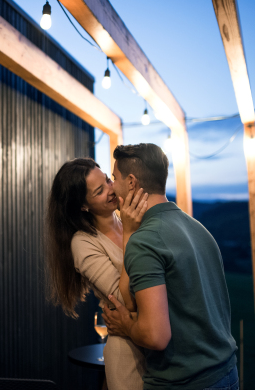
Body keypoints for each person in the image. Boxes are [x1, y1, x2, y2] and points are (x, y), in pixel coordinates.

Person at [103, 143, 239, 390]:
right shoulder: (199, 229)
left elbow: (155, 336)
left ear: (131, 182)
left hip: (185, 382)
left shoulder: (145, 241)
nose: (112, 186)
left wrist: (126, 326)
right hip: (227, 373)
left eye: (114, 178)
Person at [46, 158, 147, 389]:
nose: (111, 190)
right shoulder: (83, 243)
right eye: (100, 191)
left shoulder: (125, 219)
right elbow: (123, 300)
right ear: (83, 206)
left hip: (155, 343)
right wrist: (132, 232)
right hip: (129, 354)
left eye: (108, 181)